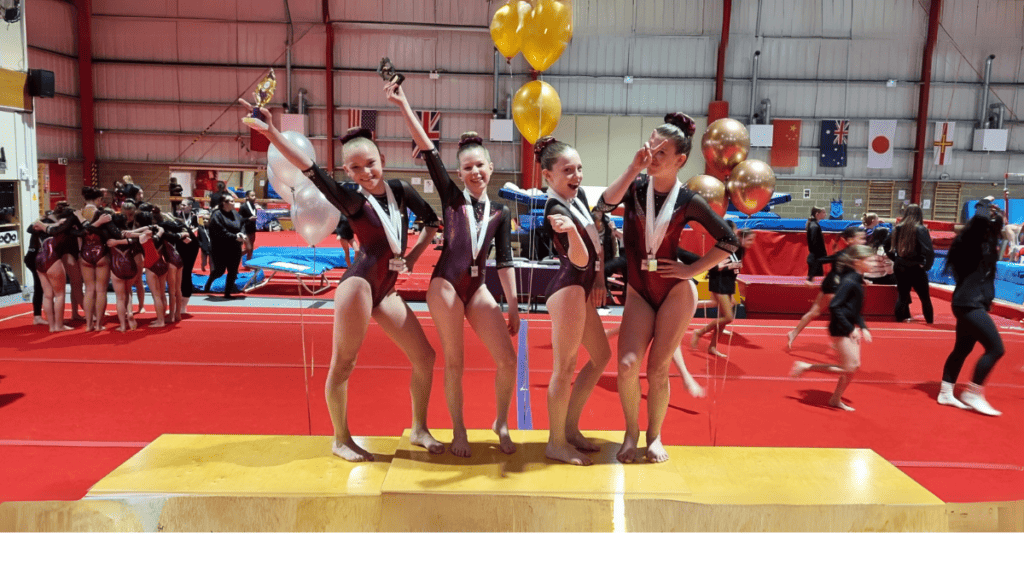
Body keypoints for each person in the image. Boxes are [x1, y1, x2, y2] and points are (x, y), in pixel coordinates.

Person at [241, 97, 445, 462]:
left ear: (382, 159)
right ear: (348, 172)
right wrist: (271, 132)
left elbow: (431, 221)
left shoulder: (401, 190)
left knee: (425, 357)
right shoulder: (352, 200)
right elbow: (310, 168)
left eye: (370, 163)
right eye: (356, 168)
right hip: (359, 286)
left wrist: (412, 258)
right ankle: (340, 439)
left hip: (387, 289)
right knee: (344, 364)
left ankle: (419, 428)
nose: (366, 172)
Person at [598, 113, 739, 464]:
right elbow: (603, 206)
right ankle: (631, 432)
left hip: (675, 291)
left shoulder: (688, 200)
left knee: (658, 368)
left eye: (661, 152)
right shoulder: (634, 187)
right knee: (627, 365)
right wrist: (632, 168)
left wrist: (692, 269)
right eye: (650, 147)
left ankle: (654, 435)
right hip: (639, 292)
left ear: (680, 160)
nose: (652, 155)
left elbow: (729, 240)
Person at [389, 83, 520, 457]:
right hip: (445, 284)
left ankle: (501, 422)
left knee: (508, 360)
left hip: (477, 288)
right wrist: (404, 103)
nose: (475, 171)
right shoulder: (451, 197)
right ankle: (458, 429)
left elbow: (504, 259)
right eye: (467, 167)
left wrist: (513, 305)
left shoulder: (500, 211)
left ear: (491, 168)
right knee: (456, 361)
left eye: (480, 165)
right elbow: (428, 149)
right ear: (459, 174)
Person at [531, 136, 612, 466]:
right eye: (568, 170)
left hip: (580, 289)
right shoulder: (556, 208)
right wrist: (575, 234)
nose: (576, 175)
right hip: (568, 290)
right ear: (548, 175)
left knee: (601, 356)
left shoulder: (577, 198)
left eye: (579, 168)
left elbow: (596, 247)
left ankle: (569, 428)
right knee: (564, 369)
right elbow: (579, 259)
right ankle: (556, 442)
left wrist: (599, 278)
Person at [937, 207, 1007, 416]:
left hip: (972, 302)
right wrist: (984, 205)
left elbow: (995, 227)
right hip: (969, 304)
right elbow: (978, 225)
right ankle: (973, 393)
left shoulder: (986, 244)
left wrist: (998, 216)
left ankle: (945, 392)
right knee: (996, 348)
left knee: (962, 348)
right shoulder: (970, 244)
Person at [790, 244, 876, 412]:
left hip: (848, 326)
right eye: (870, 260)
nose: (873, 263)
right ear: (858, 262)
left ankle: (835, 398)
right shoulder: (850, 281)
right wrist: (850, 328)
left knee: (853, 366)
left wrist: (863, 327)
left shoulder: (857, 279)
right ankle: (806, 366)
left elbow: (855, 309)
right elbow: (835, 305)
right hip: (840, 327)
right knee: (849, 367)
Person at [787, 226, 866, 350]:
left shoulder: (857, 254)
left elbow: (851, 272)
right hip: (833, 286)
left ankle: (793, 333)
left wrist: (861, 280)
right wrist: (810, 278)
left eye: (864, 239)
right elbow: (818, 261)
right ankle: (839, 340)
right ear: (850, 240)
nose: (864, 241)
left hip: (836, 285)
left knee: (815, 312)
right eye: (860, 239)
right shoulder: (843, 254)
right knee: (842, 312)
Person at [691, 226, 755, 357]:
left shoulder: (742, 250)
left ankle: (712, 347)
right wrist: (731, 266)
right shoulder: (728, 247)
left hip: (728, 283)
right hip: (719, 283)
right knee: (728, 317)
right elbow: (714, 267)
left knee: (723, 320)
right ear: (741, 238)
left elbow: (735, 268)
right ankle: (699, 332)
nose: (751, 243)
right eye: (749, 240)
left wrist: (736, 270)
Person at [886, 203, 934, 324]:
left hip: (900, 265)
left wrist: (895, 259)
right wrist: (927, 266)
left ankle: (898, 321)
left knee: (902, 296)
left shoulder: (898, 227)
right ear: (919, 215)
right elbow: (928, 250)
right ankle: (929, 322)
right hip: (915, 266)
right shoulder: (920, 229)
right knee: (925, 298)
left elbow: (886, 244)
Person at [77, 190, 116, 331]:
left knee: (88, 290)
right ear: (98, 199)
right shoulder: (101, 214)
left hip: (84, 252)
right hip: (101, 252)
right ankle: (99, 324)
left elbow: (78, 235)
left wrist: (80, 252)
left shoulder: (79, 213)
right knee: (101, 291)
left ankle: (88, 325)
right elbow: (110, 233)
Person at [203, 193, 245, 298]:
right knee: (219, 271)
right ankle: (209, 283)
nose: (234, 203)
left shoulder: (235, 213)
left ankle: (227, 293)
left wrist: (242, 234)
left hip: (235, 246)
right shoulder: (217, 215)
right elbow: (220, 231)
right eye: (231, 201)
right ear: (224, 203)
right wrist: (234, 236)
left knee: (233, 270)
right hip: (220, 247)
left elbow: (242, 224)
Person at [175, 198, 202, 313]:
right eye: (181, 205)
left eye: (184, 205)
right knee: (177, 274)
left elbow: (201, 228)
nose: (182, 207)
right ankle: (176, 304)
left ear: (190, 206)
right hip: (179, 246)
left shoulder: (196, 217)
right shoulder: (176, 216)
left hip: (192, 246)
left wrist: (193, 230)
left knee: (186, 273)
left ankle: (183, 305)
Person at [805, 206, 828, 281]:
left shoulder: (814, 225)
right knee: (815, 281)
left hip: (816, 259)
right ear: (817, 214)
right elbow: (814, 243)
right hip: (815, 259)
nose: (825, 214)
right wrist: (821, 255)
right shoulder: (814, 226)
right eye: (823, 212)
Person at [238, 189, 260, 261]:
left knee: (251, 248)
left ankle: (249, 263)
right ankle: (235, 256)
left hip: (252, 229)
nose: (254, 197)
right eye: (252, 196)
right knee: (248, 248)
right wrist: (248, 219)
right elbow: (239, 219)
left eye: (255, 195)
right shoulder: (243, 207)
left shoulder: (254, 206)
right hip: (245, 230)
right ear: (247, 197)